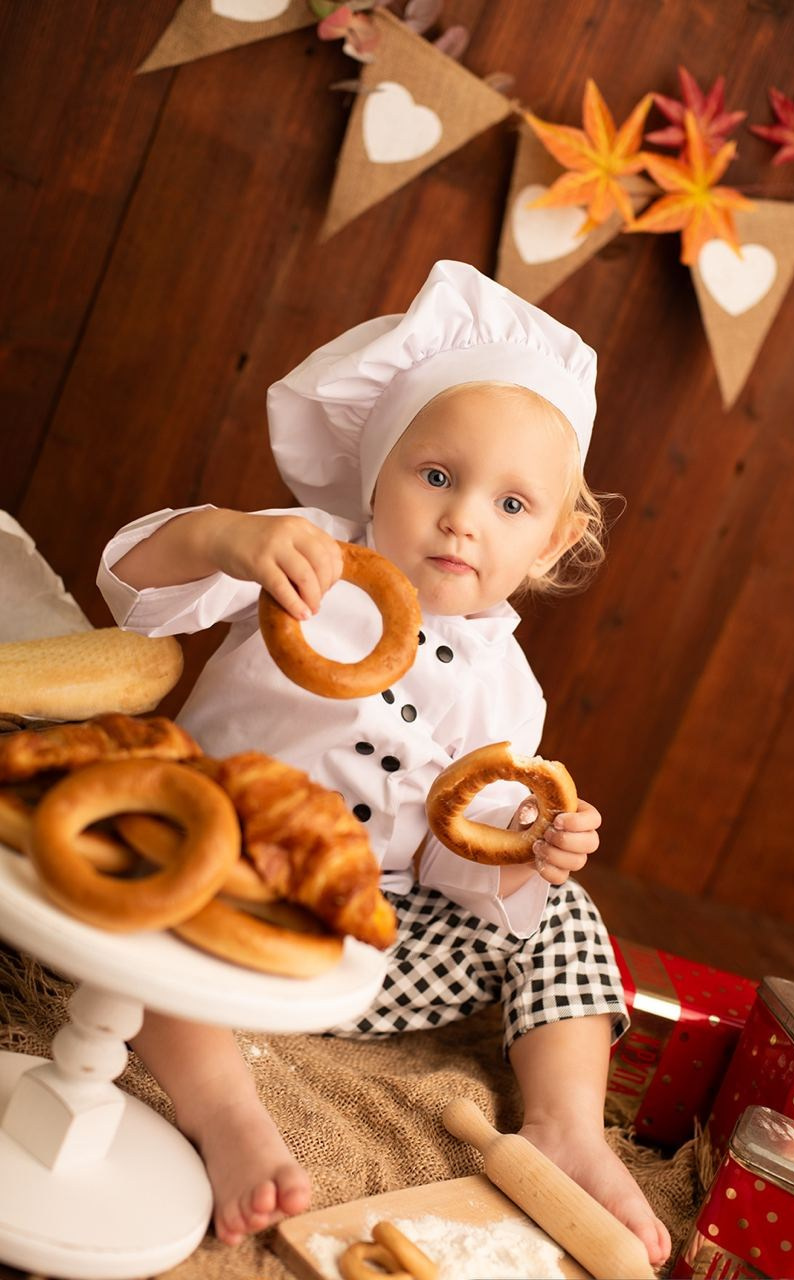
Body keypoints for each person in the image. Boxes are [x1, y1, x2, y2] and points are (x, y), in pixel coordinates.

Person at [98, 260, 671, 1265]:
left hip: (368, 952)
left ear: (552, 540)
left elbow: (457, 860)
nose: (461, 518)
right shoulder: (308, 558)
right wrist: (225, 537)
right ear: (377, 471)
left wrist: (523, 854)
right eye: (437, 476)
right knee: (141, 884)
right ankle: (226, 1107)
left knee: (568, 919)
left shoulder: (509, 691)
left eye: (509, 503)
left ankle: (564, 1121)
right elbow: (129, 590)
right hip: (225, 890)